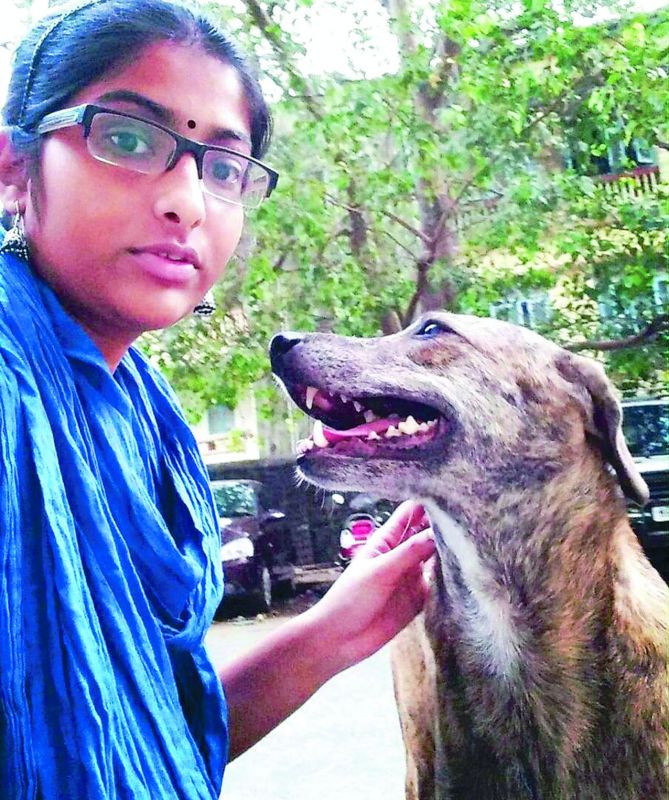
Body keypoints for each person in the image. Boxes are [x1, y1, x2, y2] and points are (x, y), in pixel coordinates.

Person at [0, 1, 436, 797]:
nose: (186, 201)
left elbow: (151, 741)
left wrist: (333, 629)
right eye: (127, 139)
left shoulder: (140, 416)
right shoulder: (12, 397)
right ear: (12, 169)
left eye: (222, 168)